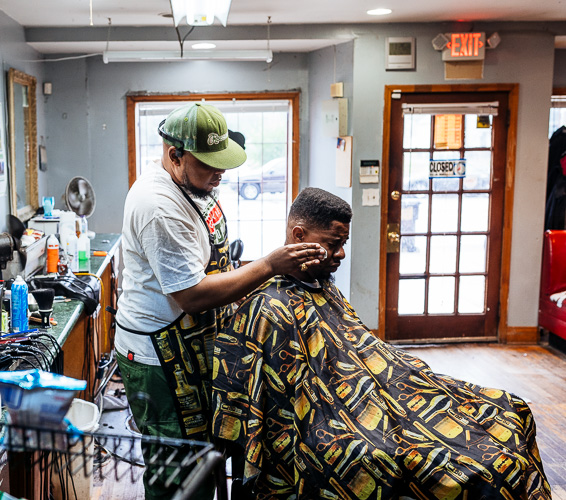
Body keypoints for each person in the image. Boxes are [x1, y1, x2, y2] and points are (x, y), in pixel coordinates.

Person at [212, 188, 551, 499]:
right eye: (332, 243)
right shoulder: (267, 307)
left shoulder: (321, 284)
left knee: (510, 408)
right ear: (298, 236)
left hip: (384, 393)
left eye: (344, 242)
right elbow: (271, 407)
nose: (341, 253)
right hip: (336, 424)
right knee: (490, 466)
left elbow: (358, 349)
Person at [114, 102, 325, 499]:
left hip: (190, 344)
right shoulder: (159, 207)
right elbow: (192, 295)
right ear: (175, 155)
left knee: (203, 456)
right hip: (157, 353)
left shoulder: (193, 184)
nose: (221, 173)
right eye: (210, 164)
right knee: (176, 469)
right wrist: (269, 265)